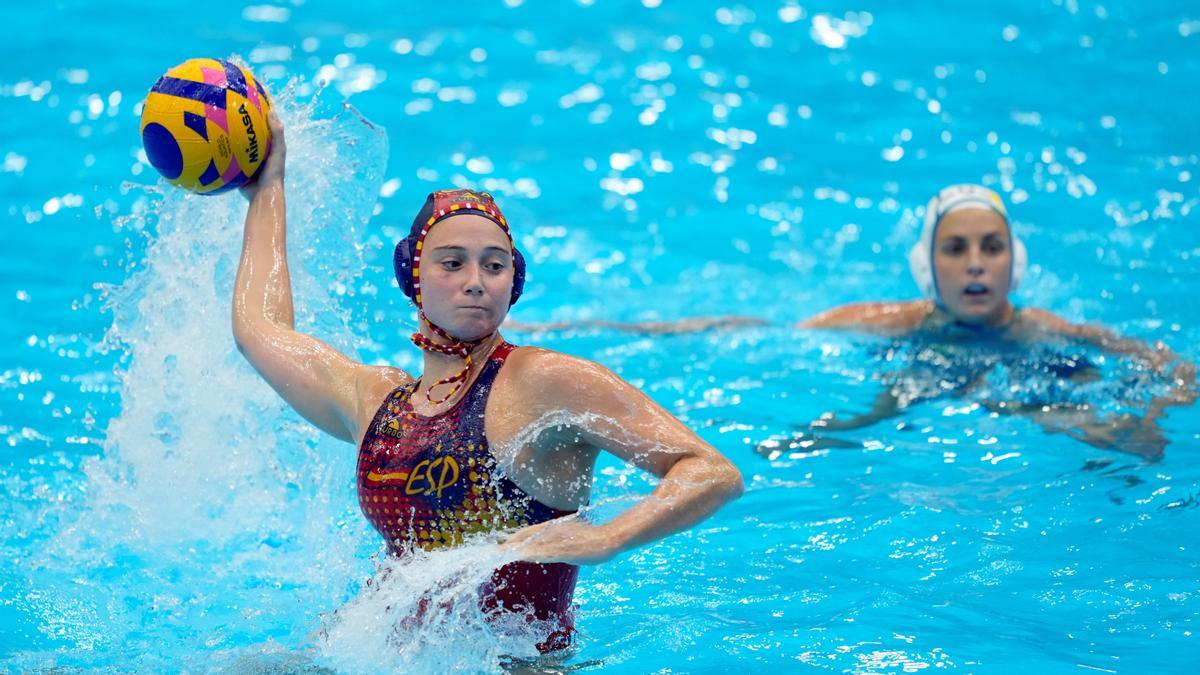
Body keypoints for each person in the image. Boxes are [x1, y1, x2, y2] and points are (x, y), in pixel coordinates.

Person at [232, 112, 743, 652]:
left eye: (494, 266)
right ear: (413, 276)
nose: (475, 282)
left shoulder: (543, 382)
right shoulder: (376, 402)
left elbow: (711, 471)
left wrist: (607, 537)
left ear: (513, 281)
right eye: (452, 263)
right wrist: (268, 187)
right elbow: (260, 330)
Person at [791, 183, 1196, 459]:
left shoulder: (1039, 327)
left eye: (992, 248)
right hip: (934, 375)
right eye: (954, 249)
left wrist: (1166, 397)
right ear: (926, 267)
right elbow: (789, 332)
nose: (975, 265)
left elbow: (1154, 359)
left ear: (1014, 262)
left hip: (1021, 380)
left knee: (1129, 439)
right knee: (886, 404)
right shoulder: (899, 321)